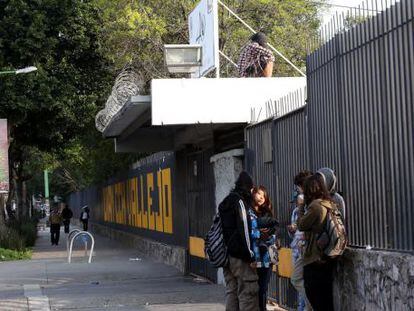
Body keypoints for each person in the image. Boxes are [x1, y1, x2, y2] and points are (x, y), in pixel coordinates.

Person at [219, 171, 259, 311]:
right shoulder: (239, 202)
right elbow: (244, 230)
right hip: (240, 257)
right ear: (248, 187)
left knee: (232, 292)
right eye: (252, 188)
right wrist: (250, 255)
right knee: (248, 292)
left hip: (227, 255)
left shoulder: (225, 201)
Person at [297, 174, 336, 311]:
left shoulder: (315, 206)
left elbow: (301, 224)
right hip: (326, 257)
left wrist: (301, 206)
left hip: (314, 259)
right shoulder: (329, 203)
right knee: (326, 302)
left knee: (317, 301)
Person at [250, 186, 279, 311]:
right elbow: (250, 231)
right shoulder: (249, 212)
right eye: (258, 194)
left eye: (263, 195)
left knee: (263, 286)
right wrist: (258, 231)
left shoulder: (268, 212)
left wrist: (263, 232)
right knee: (256, 287)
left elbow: (273, 230)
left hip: (268, 254)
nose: (261, 197)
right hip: (255, 255)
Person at [288, 171, 313, 311]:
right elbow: (298, 227)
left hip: (309, 250)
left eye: (299, 187)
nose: (298, 191)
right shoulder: (297, 209)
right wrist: (292, 230)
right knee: (299, 282)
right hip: (298, 249)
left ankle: (310, 305)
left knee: (298, 279)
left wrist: (301, 207)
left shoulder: (312, 205)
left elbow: (305, 226)